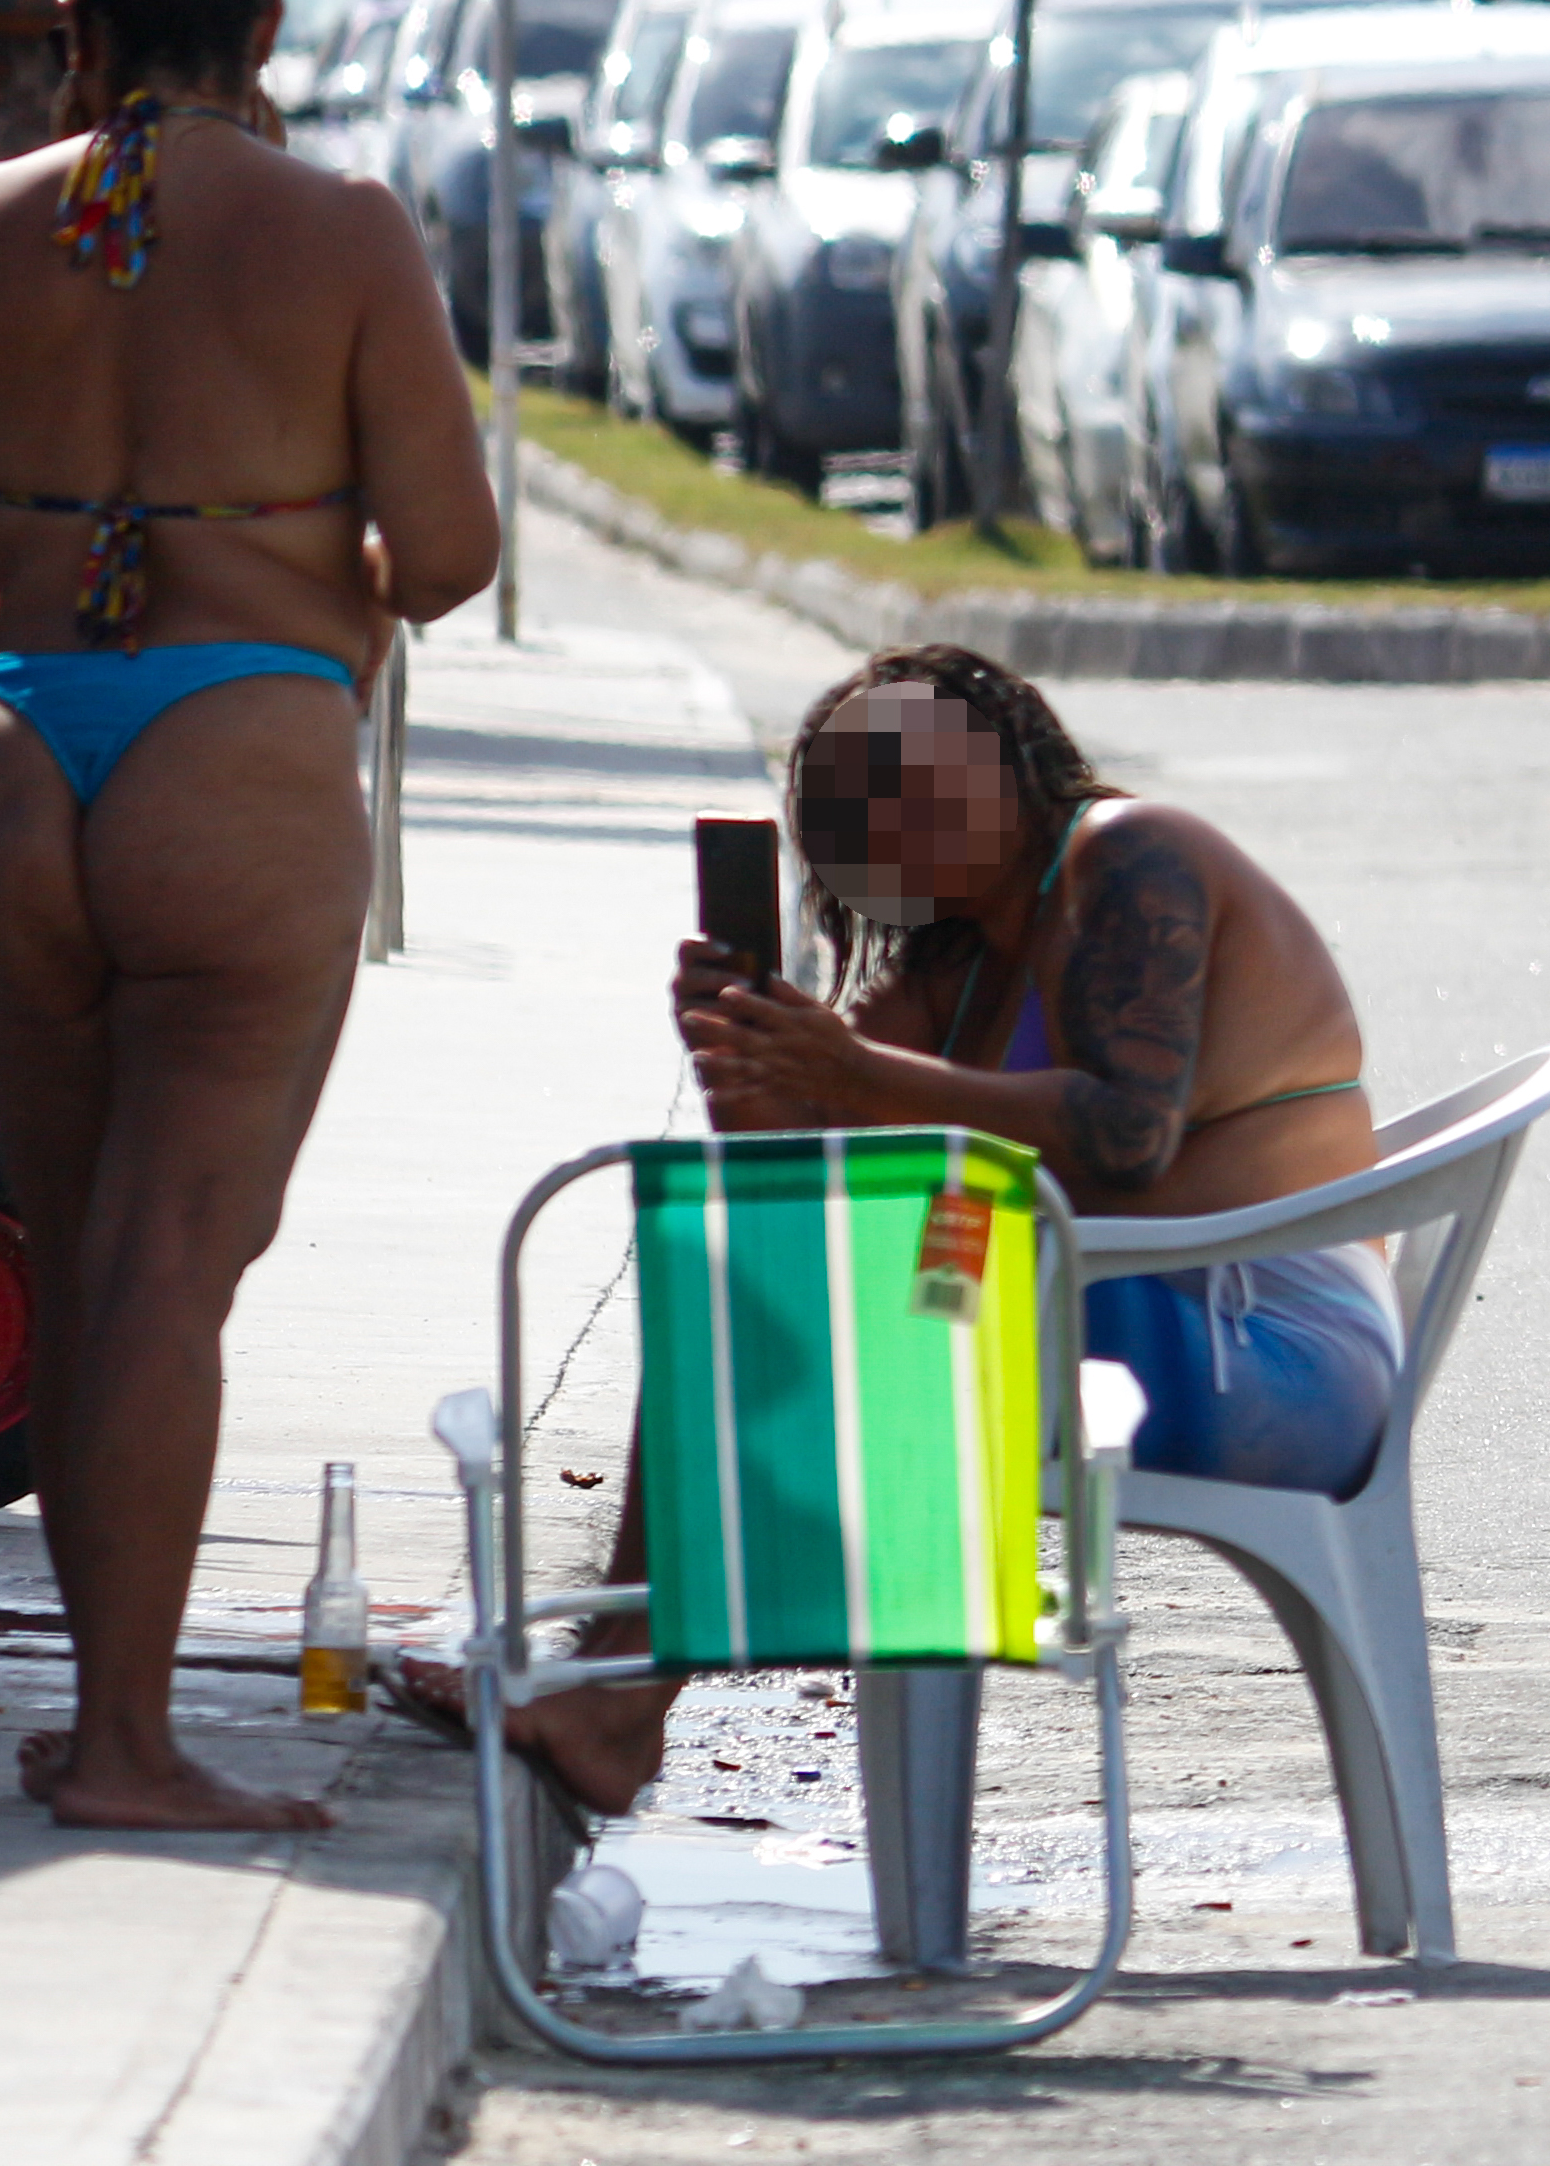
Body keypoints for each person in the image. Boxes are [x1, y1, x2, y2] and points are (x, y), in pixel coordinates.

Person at [0, 0, 500, 1830]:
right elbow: (455, 554)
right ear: (266, 27)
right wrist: (306, 540)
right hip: (235, 755)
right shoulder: (344, 230)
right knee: (166, 1256)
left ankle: (103, 1715)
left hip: (13, 749)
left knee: (81, 1245)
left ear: (69, 32)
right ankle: (132, 1748)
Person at [468, 644, 1390, 1817]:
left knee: (797, 1305)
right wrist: (746, 1054)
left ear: (1008, 745)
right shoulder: (954, 964)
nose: (897, 807)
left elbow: (1126, 1135)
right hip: (1108, 1317)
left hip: (1260, 1348)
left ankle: (624, 1686)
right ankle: (628, 1680)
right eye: (855, 797)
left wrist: (851, 1069)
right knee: (738, 1270)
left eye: (918, 765)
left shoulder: (1129, 856)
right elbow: (793, 1182)